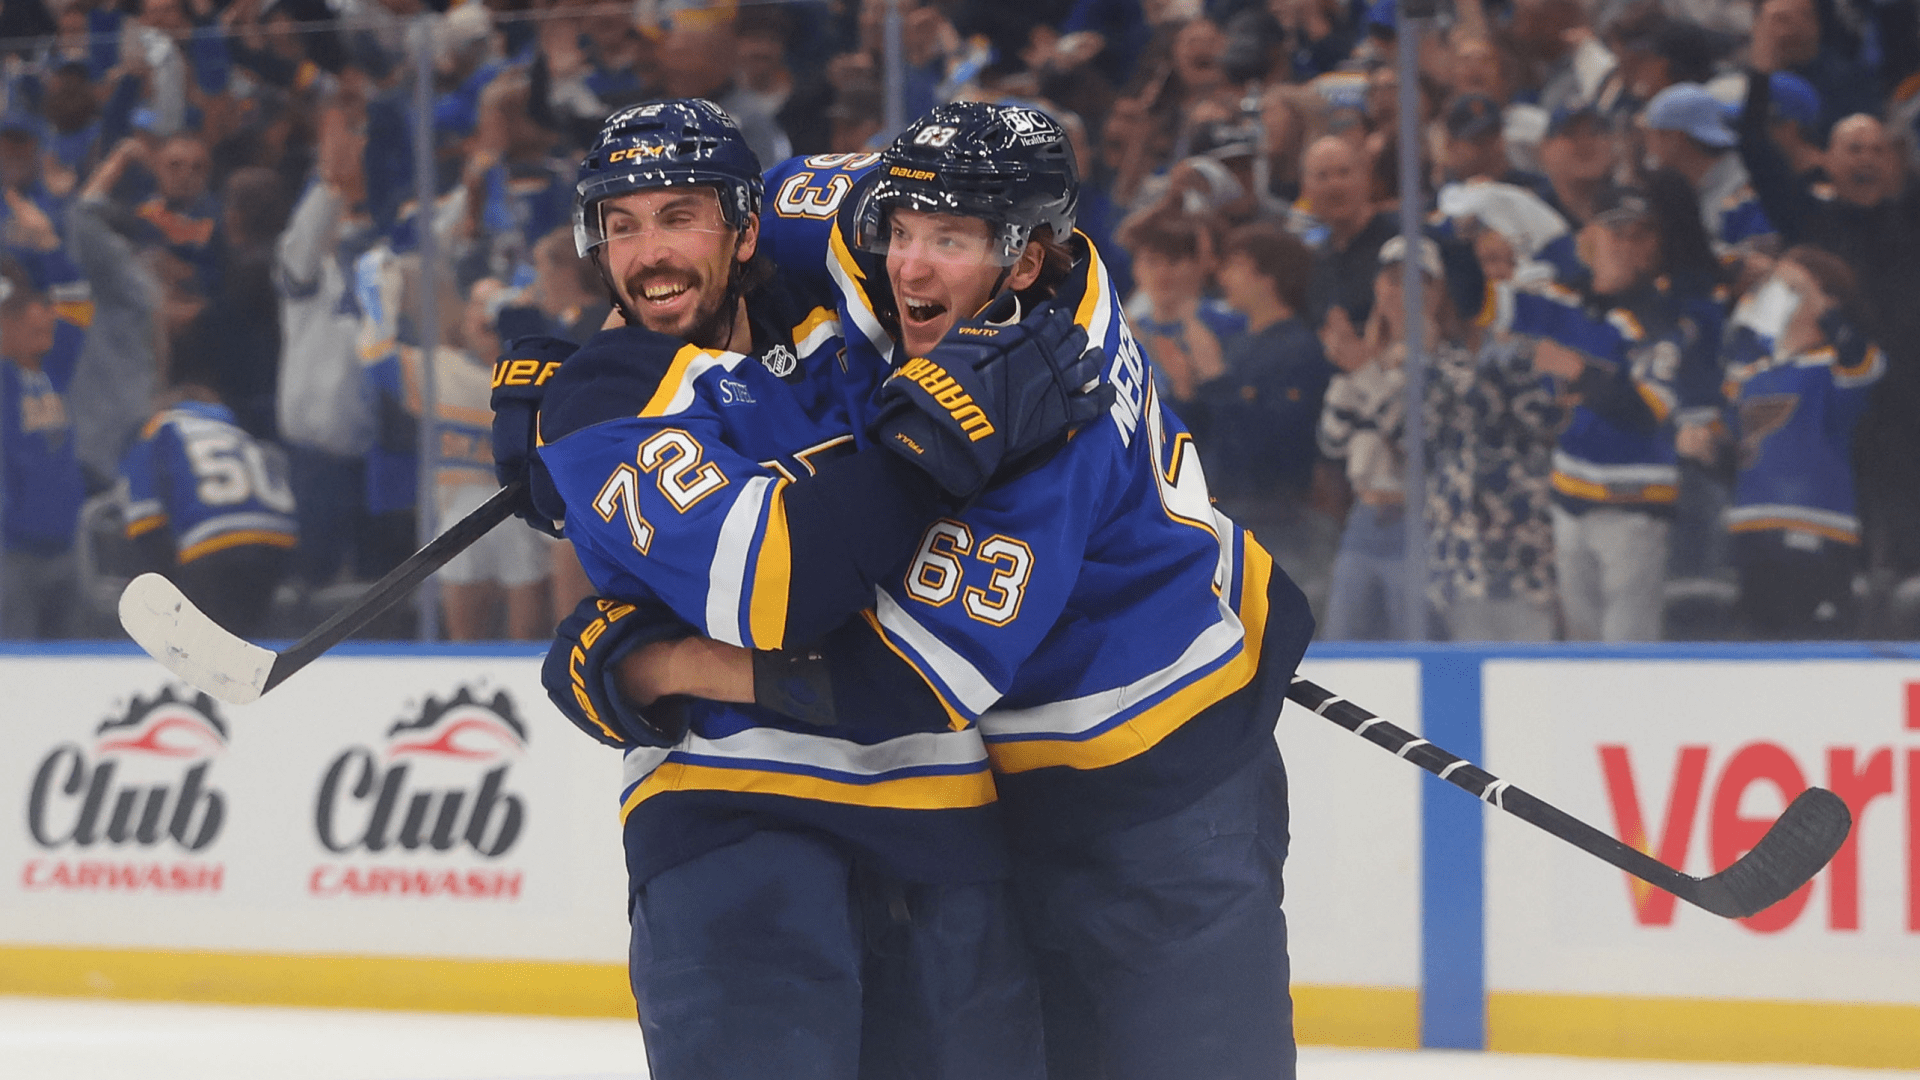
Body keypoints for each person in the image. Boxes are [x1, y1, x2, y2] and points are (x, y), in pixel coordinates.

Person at [556, 101, 1317, 1080]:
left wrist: (650, 664)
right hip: (1016, 798)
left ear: (1025, 258)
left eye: (948, 240)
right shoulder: (885, 238)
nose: (909, 267)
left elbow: (896, 676)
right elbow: (730, 222)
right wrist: (591, 361)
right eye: (902, 230)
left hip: (1156, 794)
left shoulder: (1047, 421)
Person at [498, 99, 1106, 1080]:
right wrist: (933, 445)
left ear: (746, 228)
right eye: (623, 225)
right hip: (739, 823)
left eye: (680, 216)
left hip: (947, 829)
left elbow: (956, 195)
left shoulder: (851, 302)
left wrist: (666, 661)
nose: (649, 253)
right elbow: (779, 589)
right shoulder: (601, 398)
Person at [1495, 183, 1692, 641]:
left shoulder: (1665, 317)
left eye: (1641, 236)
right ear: (1588, 240)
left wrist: (1577, 372)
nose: (1628, 247)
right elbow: (1482, 308)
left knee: (1627, 648)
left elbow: (1645, 411)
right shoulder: (1565, 300)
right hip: (1569, 496)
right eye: (1616, 234)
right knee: (1579, 648)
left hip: (1634, 504)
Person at [1680, 246, 1884, 638]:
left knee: (1813, 647)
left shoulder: (1834, 364)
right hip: (1751, 528)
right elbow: (1737, 454)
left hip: (1816, 529)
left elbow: (1861, 362)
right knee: (1756, 648)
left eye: (1790, 288)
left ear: (1829, 300)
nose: (1775, 295)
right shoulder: (1750, 373)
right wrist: (1703, 447)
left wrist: (1817, 301)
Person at [1317, 234, 1451, 640]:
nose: (1401, 292)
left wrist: (1363, 374)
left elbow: (1418, 443)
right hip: (1363, 517)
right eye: (1392, 280)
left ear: (1436, 293)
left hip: (1421, 521)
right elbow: (1332, 440)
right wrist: (1351, 374)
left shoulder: (1447, 363)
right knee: (1344, 643)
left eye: (1416, 281)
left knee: (1416, 640)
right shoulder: (1368, 355)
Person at [118, 348, 298, 639]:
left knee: (209, 642)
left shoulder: (159, 430)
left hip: (211, 545)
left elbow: (145, 521)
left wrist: (162, 591)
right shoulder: (236, 432)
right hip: (277, 540)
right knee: (249, 635)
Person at [0, 259, 88, 638]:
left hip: (65, 541)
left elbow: (77, 305)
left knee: (70, 653)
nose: (46, 333)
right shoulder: (5, 380)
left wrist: (51, 252)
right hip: (13, 548)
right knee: (16, 653)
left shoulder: (55, 369)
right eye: (33, 328)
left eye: (47, 326)